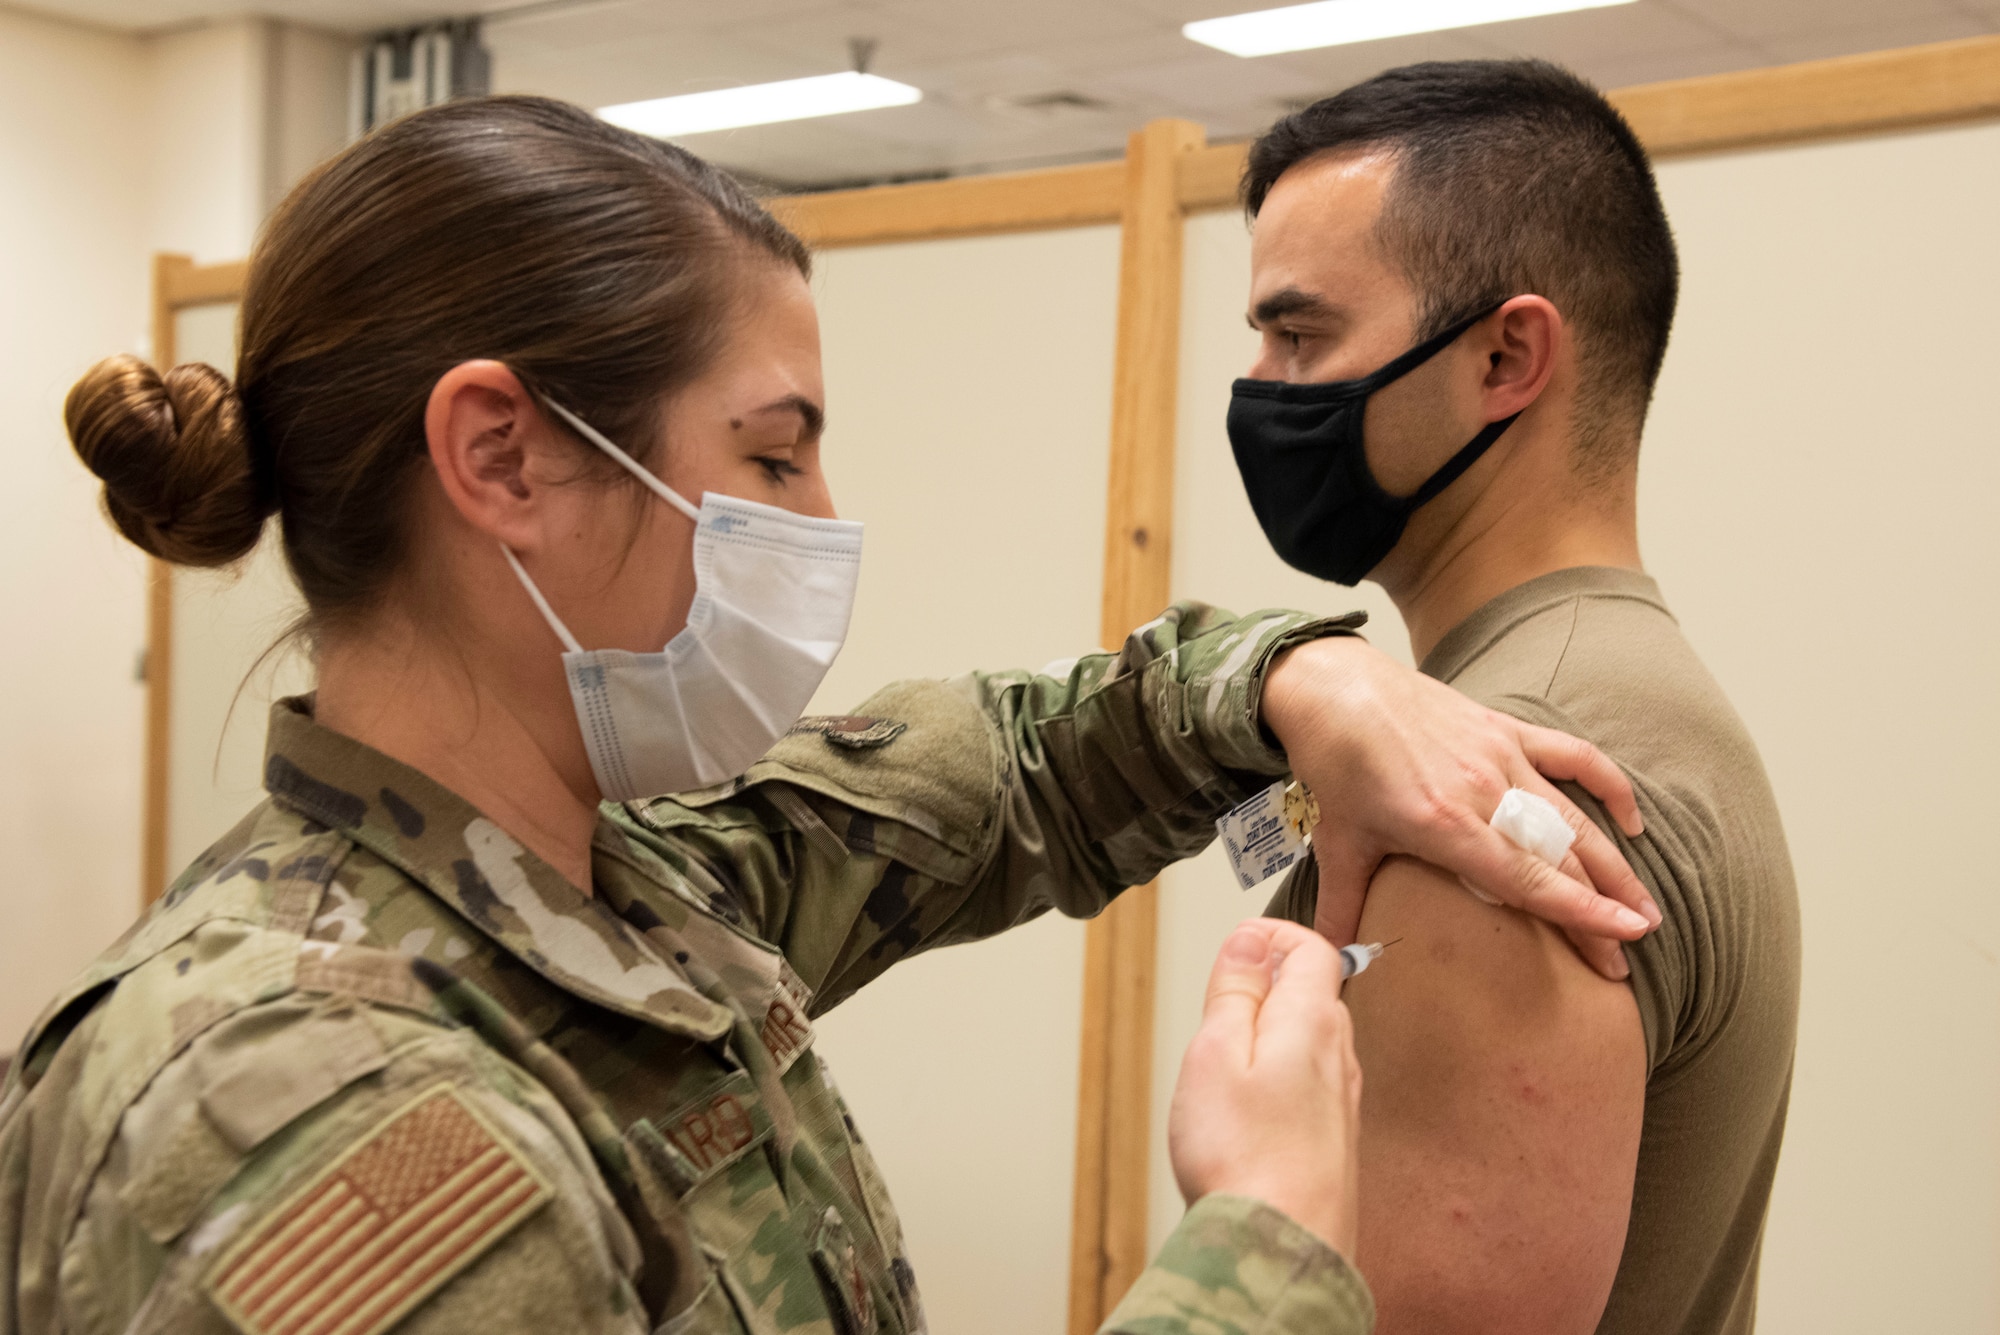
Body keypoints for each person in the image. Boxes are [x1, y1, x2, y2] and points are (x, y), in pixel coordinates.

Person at [0, 96, 1656, 1335]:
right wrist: (1267, 1247)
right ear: (503, 459)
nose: (815, 518)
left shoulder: (617, 887)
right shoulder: (317, 1099)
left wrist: (1307, 682)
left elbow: (1011, 768)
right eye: (771, 456)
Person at [1238, 62, 1802, 1334]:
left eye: (1300, 334)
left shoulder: (1499, 788)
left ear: (1504, 355)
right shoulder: (1604, 688)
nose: (1263, 388)